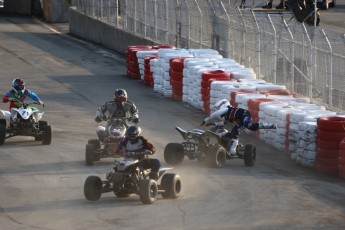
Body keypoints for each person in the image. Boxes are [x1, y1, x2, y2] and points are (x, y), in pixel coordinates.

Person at [200, 99, 277, 156]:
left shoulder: (227, 109)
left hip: (245, 116)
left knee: (250, 126)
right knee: (233, 133)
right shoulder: (227, 115)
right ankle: (231, 147)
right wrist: (212, 124)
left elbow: (216, 114)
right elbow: (223, 122)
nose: (217, 109)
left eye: (218, 107)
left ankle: (271, 125)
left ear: (222, 105)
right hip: (240, 122)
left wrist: (206, 120)